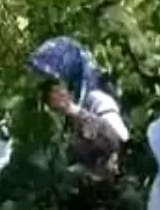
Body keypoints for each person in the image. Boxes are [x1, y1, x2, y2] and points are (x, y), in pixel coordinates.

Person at [28, 36, 129, 174]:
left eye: (52, 83)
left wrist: (72, 109)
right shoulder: (59, 118)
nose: (47, 92)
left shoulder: (97, 100)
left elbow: (118, 140)